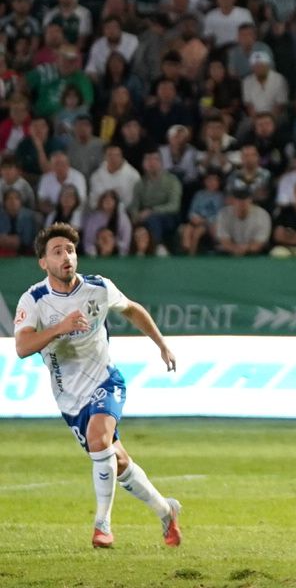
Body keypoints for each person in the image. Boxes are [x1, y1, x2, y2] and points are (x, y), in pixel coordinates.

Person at [13, 222, 183, 549]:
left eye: (71, 250)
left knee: (98, 436)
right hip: (68, 397)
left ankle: (102, 524)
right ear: (43, 262)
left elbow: (132, 309)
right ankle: (166, 511)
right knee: (115, 460)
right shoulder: (33, 299)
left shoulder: (98, 288)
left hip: (106, 379)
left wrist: (161, 344)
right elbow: (22, 347)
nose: (66, 257)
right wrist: (60, 328)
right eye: (57, 251)